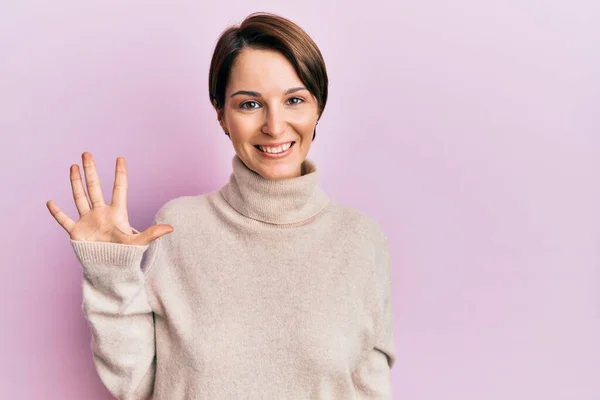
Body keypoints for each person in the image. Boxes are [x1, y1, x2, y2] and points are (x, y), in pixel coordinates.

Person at [46, 12, 396, 399]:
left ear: (318, 109)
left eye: (294, 100)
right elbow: (139, 385)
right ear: (221, 115)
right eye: (250, 105)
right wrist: (110, 273)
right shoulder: (179, 226)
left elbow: (371, 389)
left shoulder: (361, 241)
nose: (275, 126)